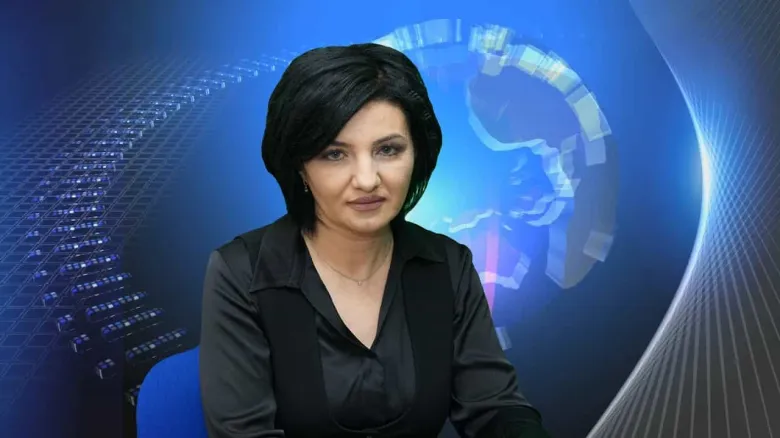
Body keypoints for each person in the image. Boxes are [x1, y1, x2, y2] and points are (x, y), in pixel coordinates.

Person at [198, 43, 551, 438]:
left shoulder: (447, 265)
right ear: (300, 166)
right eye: (335, 154)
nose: (367, 179)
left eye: (388, 149)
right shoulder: (241, 273)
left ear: (417, 153)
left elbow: (496, 407)